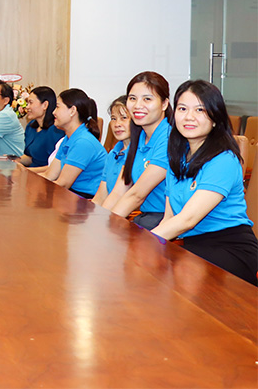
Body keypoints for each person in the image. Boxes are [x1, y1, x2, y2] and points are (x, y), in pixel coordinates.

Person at [151, 80, 257, 285]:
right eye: (182, 109)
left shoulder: (223, 159)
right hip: (193, 244)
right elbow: (169, 218)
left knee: (173, 278)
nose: (189, 117)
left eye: (200, 110)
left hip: (231, 247)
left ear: (215, 118)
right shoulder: (177, 158)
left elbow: (187, 220)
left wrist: (145, 244)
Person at [102, 71, 172, 230]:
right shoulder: (139, 136)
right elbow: (119, 191)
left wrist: (105, 226)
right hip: (144, 217)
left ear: (164, 104)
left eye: (147, 99)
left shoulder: (168, 139)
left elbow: (137, 195)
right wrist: (99, 220)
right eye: (132, 99)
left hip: (163, 220)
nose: (138, 105)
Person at [41, 89, 106, 199]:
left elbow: (63, 183)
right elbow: (50, 175)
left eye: (57, 107)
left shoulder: (83, 142)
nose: (53, 112)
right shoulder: (69, 138)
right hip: (72, 196)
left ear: (72, 111)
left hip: (86, 201)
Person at [91, 96, 131, 205]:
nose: (117, 124)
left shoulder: (139, 154)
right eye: (113, 118)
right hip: (108, 211)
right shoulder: (113, 154)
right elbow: (100, 196)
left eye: (124, 118)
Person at [18, 86, 65, 167]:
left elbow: (55, 166)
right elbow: (31, 158)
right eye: (27, 103)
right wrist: (12, 160)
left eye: (31, 102)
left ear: (45, 105)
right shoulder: (31, 126)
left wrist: (25, 171)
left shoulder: (56, 130)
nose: (27, 107)